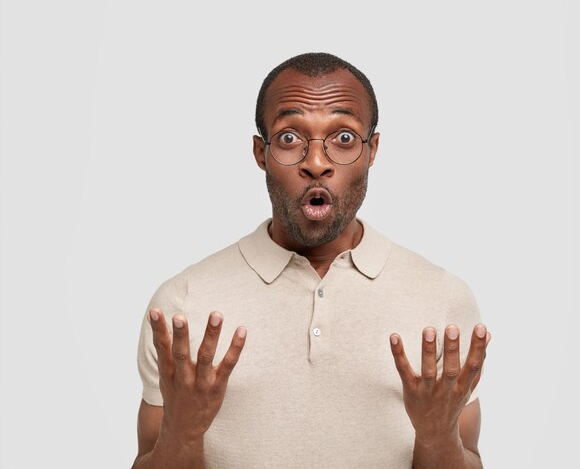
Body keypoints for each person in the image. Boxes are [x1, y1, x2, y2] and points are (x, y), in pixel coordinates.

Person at [131, 52, 490, 469]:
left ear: (372, 150)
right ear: (259, 153)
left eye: (343, 138)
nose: (316, 163)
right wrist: (182, 434)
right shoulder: (183, 304)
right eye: (289, 138)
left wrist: (436, 435)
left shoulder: (442, 301)